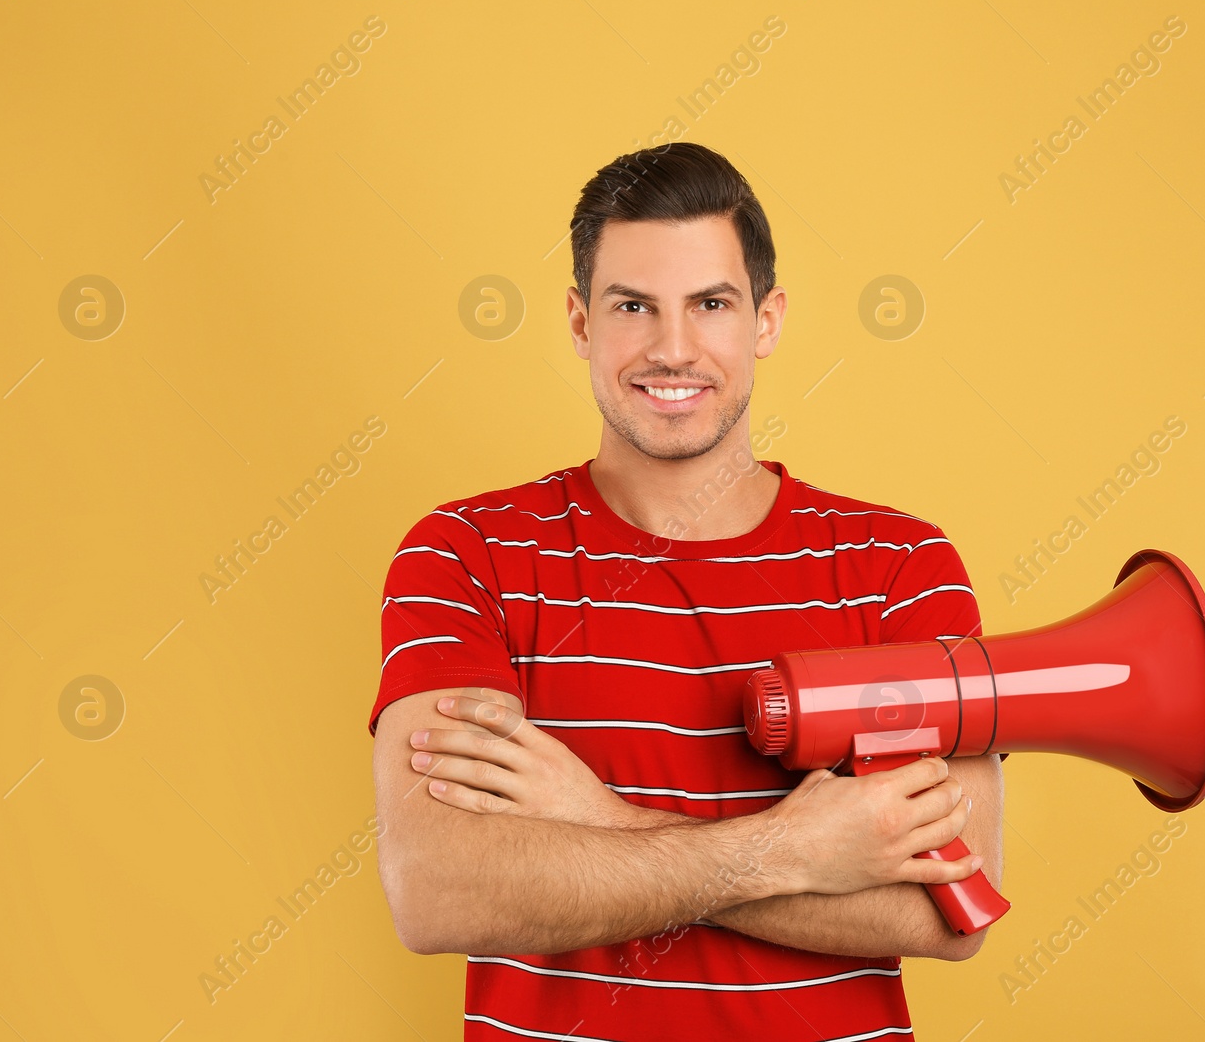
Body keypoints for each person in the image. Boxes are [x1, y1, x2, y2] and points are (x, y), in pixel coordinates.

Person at [368, 142, 1005, 1041]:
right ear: (582, 322)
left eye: (711, 303)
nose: (673, 349)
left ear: (767, 320)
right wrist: (797, 853)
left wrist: (594, 818)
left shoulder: (899, 565)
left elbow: (949, 908)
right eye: (634, 305)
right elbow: (437, 890)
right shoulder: (467, 555)